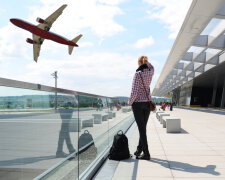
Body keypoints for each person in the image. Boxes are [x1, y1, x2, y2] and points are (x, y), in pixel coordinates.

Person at [128, 55, 154, 160]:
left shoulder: (137, 74)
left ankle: (146, 154)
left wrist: (129, 102)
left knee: (141, 129)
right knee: (143, 128)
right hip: (147, 103)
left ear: (139, 63)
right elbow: (151, 66)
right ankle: (139, 149)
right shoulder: (151, 71)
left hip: (138, 104)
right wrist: (146, 62)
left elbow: (134, 92)